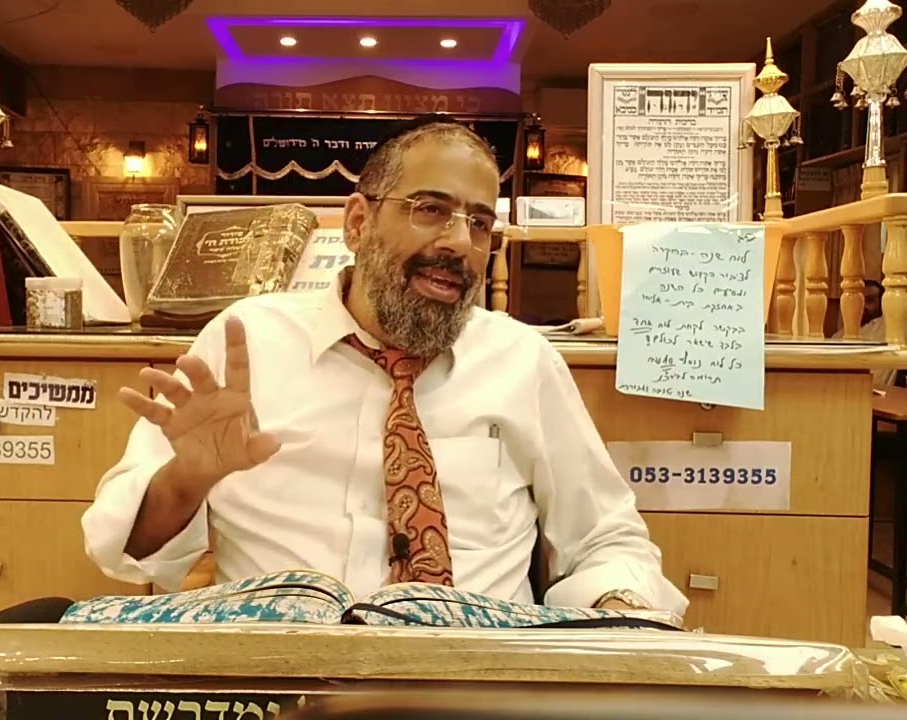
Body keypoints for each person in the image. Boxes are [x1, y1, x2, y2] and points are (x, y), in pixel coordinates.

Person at [82, 116, 687, 616]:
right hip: (286, 675)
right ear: (357, 222)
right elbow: (118, 548)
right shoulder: (248, 341)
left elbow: (605, 536)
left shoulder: (521, 360)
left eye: (479, 223)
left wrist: (620, 604)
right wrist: (188, 479)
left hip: (475, 679)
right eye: (431, 209)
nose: (459, 243)